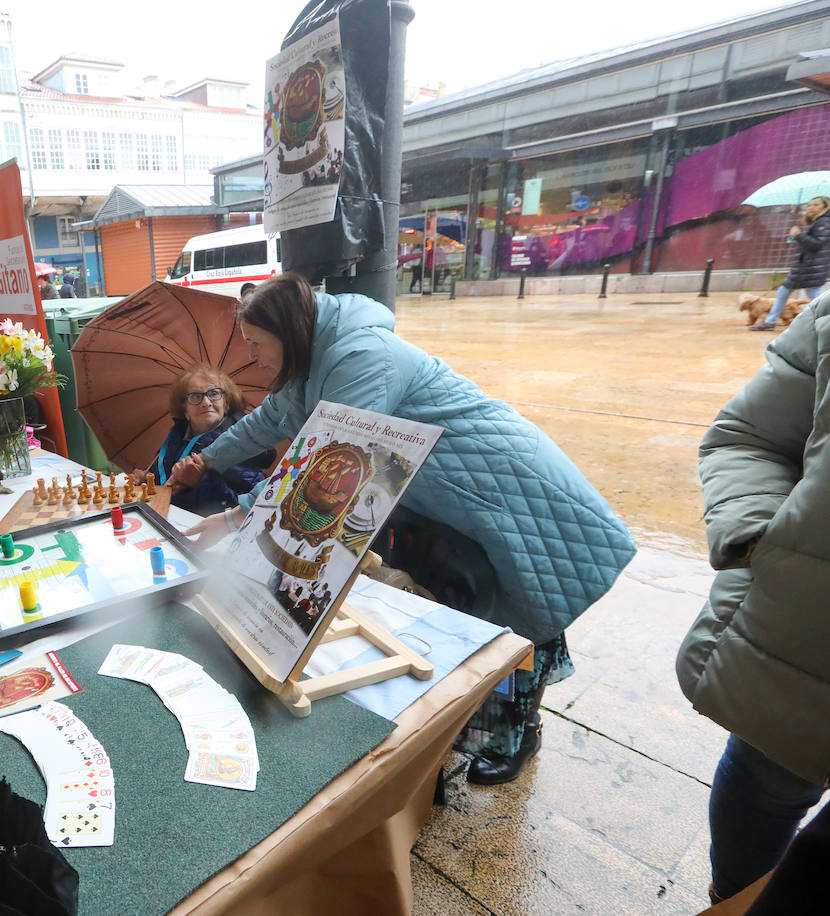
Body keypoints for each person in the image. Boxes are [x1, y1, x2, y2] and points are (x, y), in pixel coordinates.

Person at [175, 273, 634, 784]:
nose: (255, 358)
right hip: (451, 498)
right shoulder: (307, 366)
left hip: (505, 486)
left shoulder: (360, 355)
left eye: (258, 344)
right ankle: (472, 726)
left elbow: (331, 457)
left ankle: (515, 734)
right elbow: (268, 423)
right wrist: (207, 460)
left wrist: (239, 514)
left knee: (525, 608)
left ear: (289, 331)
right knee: (473, 606)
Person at [675, 292, 830, 902]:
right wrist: (754, 540)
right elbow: (747, 437)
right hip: (801, 634)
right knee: (764, 785)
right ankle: (730, 899)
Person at [134, 364, 274, 516]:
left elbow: (236, 508)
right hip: (162, 517)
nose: (206, 402)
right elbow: (162, 481)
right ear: (185, 410)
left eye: (214, 393)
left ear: (226, 403)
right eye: (195, 396)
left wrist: (201, 481)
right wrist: (145, 481)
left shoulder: (244, 445)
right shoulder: (177, 437)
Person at [751, 196, 830, 330]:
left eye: (816, 205)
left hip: (810, 267)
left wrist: (799, 235)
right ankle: (771, 321)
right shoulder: (817, 222)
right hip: (808, 266)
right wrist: (799, 234)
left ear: (825, 207)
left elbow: (817, 244)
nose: (811, 207)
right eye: (809, 205)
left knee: (800, 293)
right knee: (807, 294)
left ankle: (770, 322)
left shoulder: (824, 223)